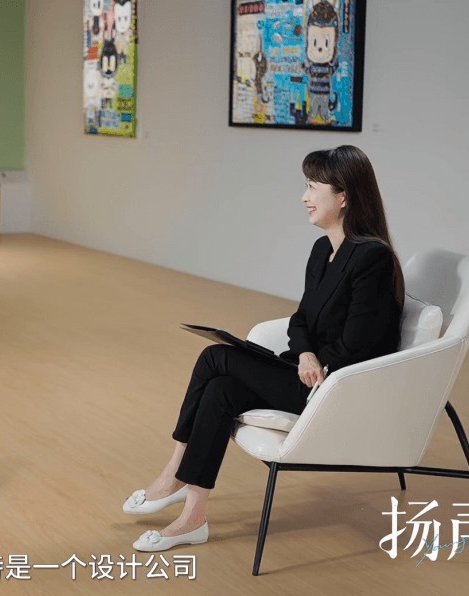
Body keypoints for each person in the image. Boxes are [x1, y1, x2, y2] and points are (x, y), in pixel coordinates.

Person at [124, 145, 404, 552]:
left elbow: (358, 347)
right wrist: (305, 354)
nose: (304, 197)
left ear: (343, 196)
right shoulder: (322, 250)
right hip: (307, 372)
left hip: (334, 389)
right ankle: (192, 518)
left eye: (313, 187)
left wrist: (315, 362)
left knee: (215, 356)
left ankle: (174, 474)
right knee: (220, 390)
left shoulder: (372, 259)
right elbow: (300, 320)